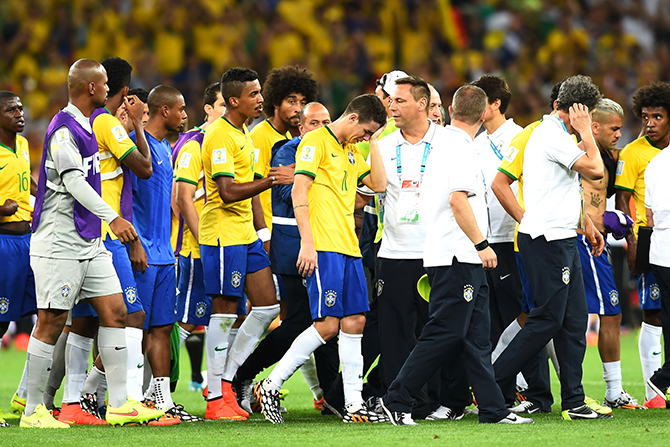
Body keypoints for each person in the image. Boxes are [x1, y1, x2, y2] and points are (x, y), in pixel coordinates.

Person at [22, 59, 164, 428]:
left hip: (88, 242)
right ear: (91, 89)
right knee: (51, 321)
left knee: (117, 312)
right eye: (104, 85)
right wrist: (112, 217)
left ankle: (119, 404)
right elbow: (74, 182)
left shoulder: (88, 126)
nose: (110, 91)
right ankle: (32, 410)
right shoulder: (64, 131)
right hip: (59, 243)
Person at [379, 85, 532, 426]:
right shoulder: (459, 146)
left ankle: (493, 408)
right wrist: (482, 244)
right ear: (482, 115)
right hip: (456, 255)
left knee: (476, 337)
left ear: (450, 108)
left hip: (456, 254)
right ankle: (397, 398)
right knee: (445, 331)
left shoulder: (443, 142)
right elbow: (458, 200)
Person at [254, 94, 388, 424]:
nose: (366, 138)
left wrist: (373, 143)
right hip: (323, 246)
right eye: (366, 131)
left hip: (349, 248)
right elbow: (299, 191)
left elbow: (380, 184)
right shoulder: (315, 141)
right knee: (327, 325)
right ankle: (271, 384)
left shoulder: (353, 150)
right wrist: (308, 244)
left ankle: (353, 404)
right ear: (353, 118)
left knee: (355, 322)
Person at [493, 75, 611, 420]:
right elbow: (595, 171)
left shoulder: (555, 136)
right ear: (578, 111)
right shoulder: (551, 135)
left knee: (574, 321)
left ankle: (574, 401)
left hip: (562, 237)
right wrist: (587, 132)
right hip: (546, 241)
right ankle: (492, 382)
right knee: (546, 320)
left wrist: (584, 223)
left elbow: (564, 186)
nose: (588, 120)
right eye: (587, 113)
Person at [199, 67, 290, 421]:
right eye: (254, 94)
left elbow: (245, 184)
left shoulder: (243, 133)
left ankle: (226, 378)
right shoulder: (220, 135)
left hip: (246, 235)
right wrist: (270, 180)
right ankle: (215, 398)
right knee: (224, 312)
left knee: (268, 307)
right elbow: (226, 191)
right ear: (233, 100)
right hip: (222, 233)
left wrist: (261, 229)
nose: (260, 99)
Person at [235, 102, 338, 412]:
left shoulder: (335, 152)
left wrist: (305, 175)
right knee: (297, 323)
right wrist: (315, 176)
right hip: (294, 251)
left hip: (328, 247)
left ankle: (332, 396)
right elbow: (287, 193)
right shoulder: (287, 151)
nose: (321, 127)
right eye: (314, 123)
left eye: (327, 121)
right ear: (302, 128)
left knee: (328, 321)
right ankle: (244, 375)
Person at [129, 85, 201, 422]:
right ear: (164, 111)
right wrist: (134, 243)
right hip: (141, 251)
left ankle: (160, 398)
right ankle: (103, 394)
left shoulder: (164, 147)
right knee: (132, 328)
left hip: (164, 255)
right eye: (181, 109)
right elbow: (121, 200)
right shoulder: (134, 147)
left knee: (161, 327)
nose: (185, 115)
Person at [373, 76, 441, 418]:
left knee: (437, 332)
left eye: (399, 101)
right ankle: (396, 403)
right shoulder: (382, 146)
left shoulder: (447, 142)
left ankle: (433, 402)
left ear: (421, 104)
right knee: (395, 334)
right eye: (390, 100)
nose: (392, 106)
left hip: (437, 253)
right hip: (395, 253)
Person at [576, 99, 641, 409]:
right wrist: (613, 221)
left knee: (540, 316)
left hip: (585, 241)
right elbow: (582, 208)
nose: (619, 133)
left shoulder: (604, 157)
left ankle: (512, 380)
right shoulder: (583, 158)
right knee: (611, 314)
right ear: (595, 126)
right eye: (614, 128)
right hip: (587, 242)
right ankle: (613, 391)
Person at [615, 82, 670, 409]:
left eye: (657, 116)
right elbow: (623, 200)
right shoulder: (633, 153)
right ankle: (654, 394)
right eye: (646, 116)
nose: (650, 122)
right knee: (654, 314)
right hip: (650, 241)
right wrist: (631, 241)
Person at [173, 82, 226, 403]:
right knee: (188, 320)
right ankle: (153, 389)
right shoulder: (194, 144)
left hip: (227, 243)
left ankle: (224, 386)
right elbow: (181, 199)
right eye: (222, 106)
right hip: (197, 248)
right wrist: (204, 240)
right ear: (208, 108)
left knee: (231, 314)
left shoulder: (232, 139)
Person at [0, 91, 37, 427]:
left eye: (20, 108)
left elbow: (28, 183)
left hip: (28, 242)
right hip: (3, 241)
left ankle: (29, 395)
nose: (19, 114)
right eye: (11, 110)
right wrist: (2, 210)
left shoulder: (23, 146)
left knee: (47, 314)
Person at [251, 66, 318, 234]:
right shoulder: (260, 135)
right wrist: (263, 232)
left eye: (303, 103)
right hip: (268, 229)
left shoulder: (288, 137)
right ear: (276, 102)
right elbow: (252, 188)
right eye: (291, 101)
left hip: (284, 228)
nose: (298, 109)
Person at [644, 135, 670, 402]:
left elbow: (649, 215)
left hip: (660, 252)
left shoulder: (656, 162)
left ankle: (666, 383)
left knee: (669, 320)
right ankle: (663, 377)